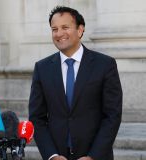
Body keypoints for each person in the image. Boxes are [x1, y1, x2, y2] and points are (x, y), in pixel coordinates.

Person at [28, 6, 122, 160]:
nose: (59, 34)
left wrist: (93, 156)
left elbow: (112, 115)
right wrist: (52, 155)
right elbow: (36, 118)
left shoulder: (105, 65)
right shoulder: (42, 68)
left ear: (80, 30)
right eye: (54, 29)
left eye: (65, 27)